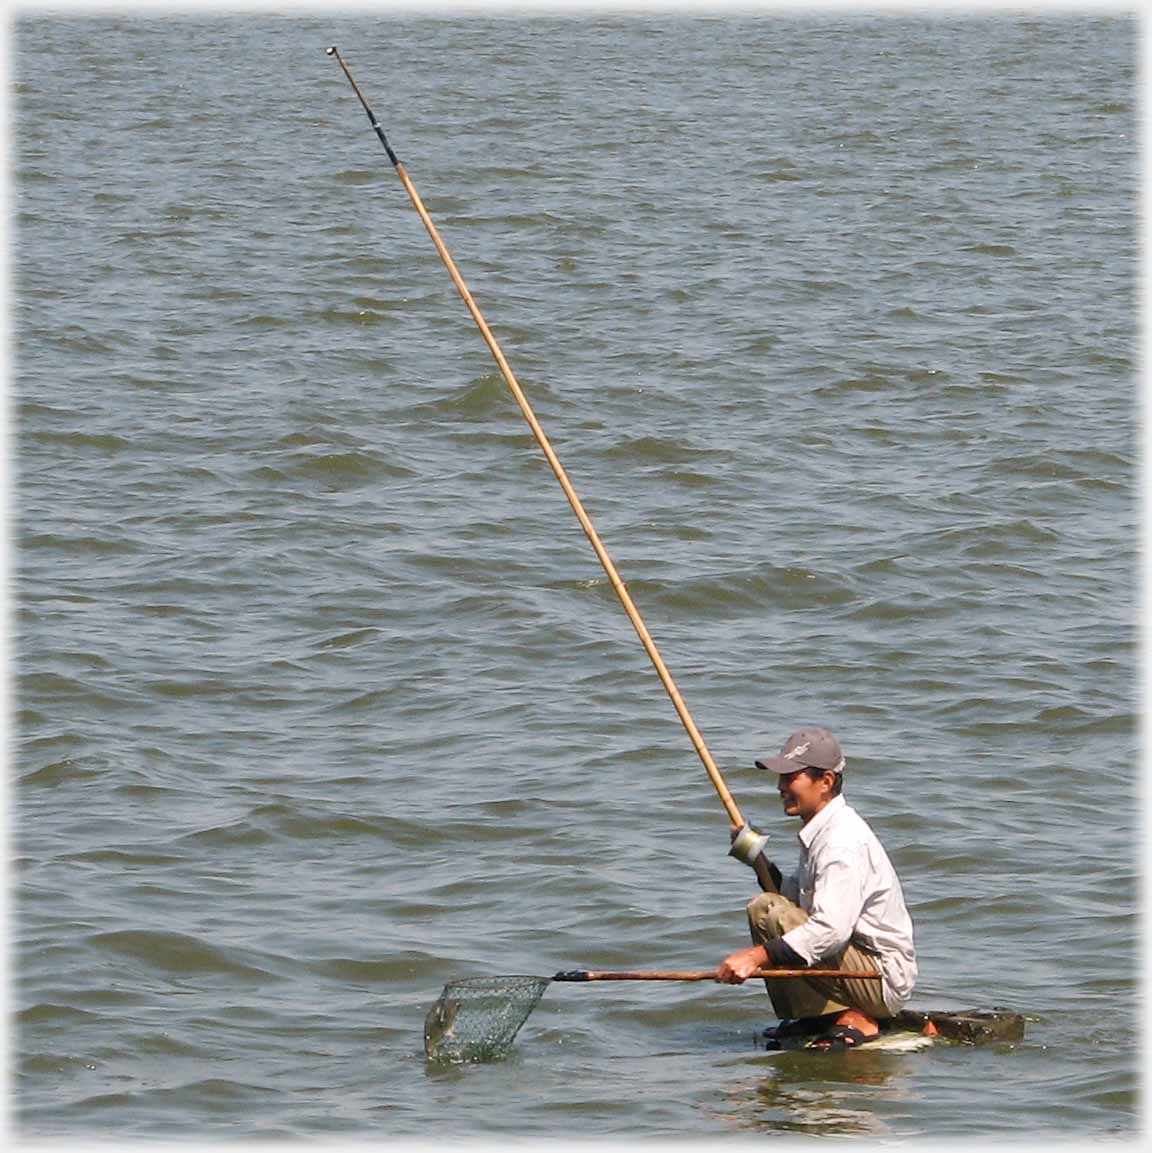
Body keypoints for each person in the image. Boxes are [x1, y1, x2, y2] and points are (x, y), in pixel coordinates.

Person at [718, 726, 917, 1050]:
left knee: (773, 913)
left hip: (878, 979)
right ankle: (818, 1015)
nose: (781, 787)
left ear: (825, 782)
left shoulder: (841, 842)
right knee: (763, 907)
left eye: (790, 777)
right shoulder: (820, 831)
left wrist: (755, 957)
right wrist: (757, 859)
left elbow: (830, 930)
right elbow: (797, 900)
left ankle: (860, 1017)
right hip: (854, 967)